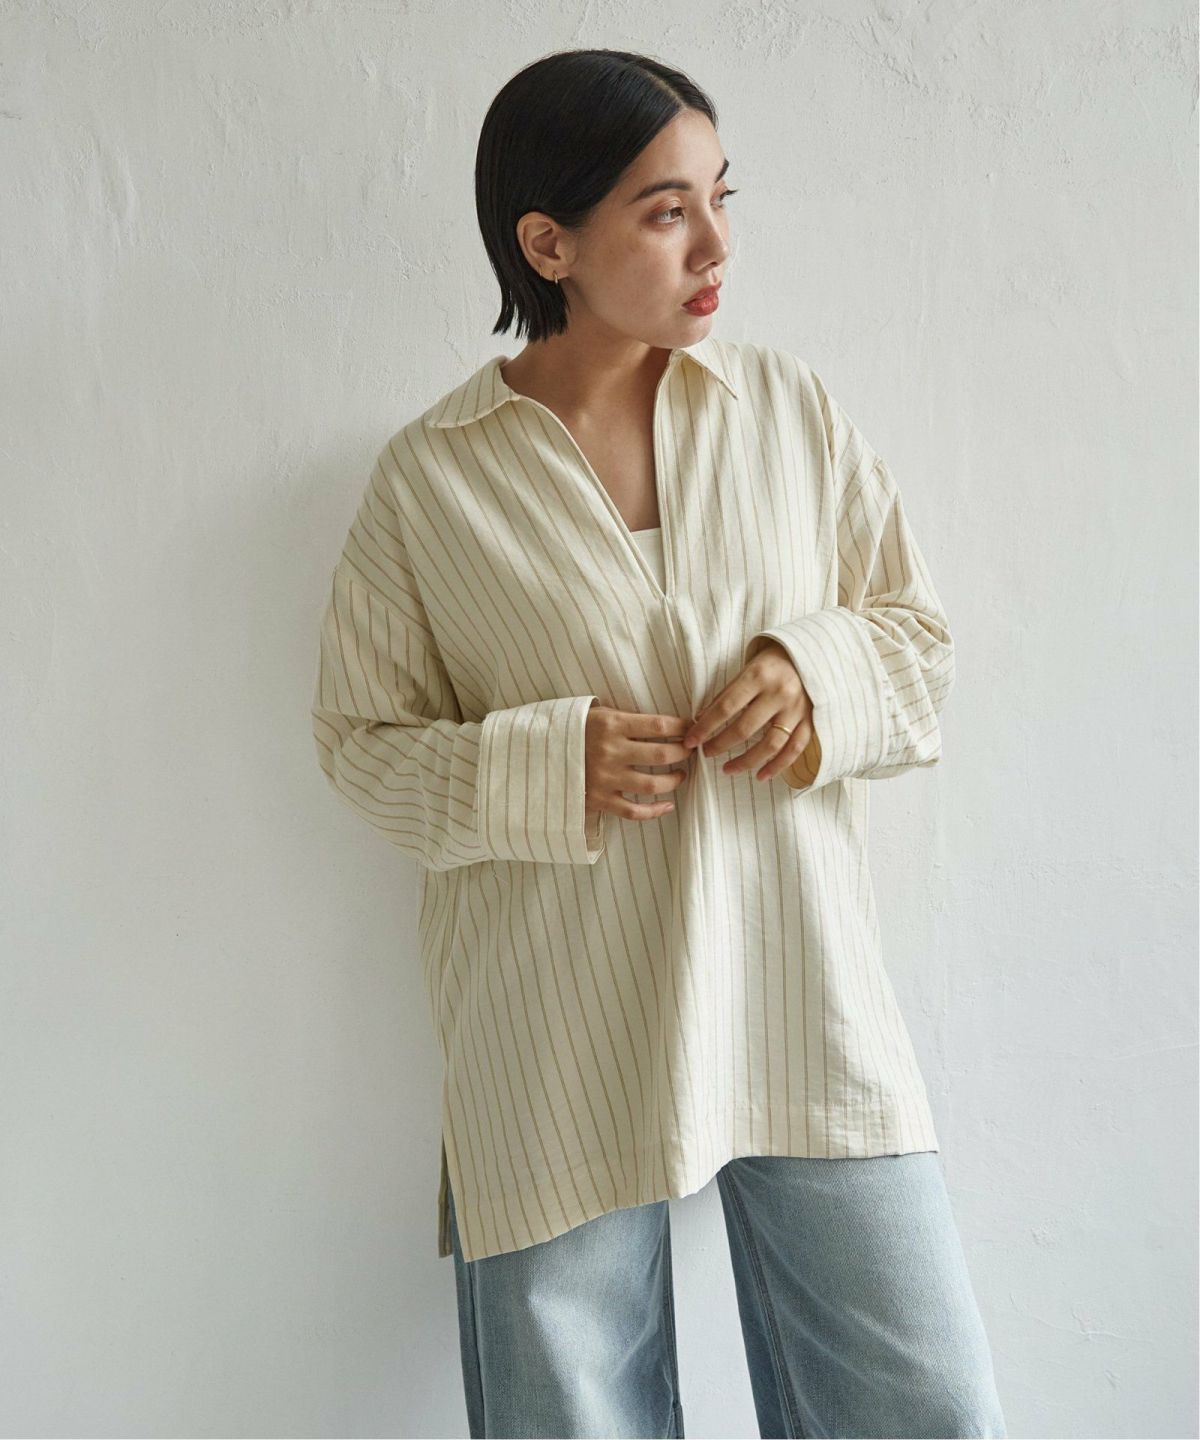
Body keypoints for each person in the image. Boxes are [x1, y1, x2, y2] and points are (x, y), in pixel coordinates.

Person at [311, 46, 1007, 1440]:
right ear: (548, 243)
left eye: (720, 197)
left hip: (797, 988)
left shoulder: (788, 413)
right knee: (573, 1416)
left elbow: (919, 643)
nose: (717, 246)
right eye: (666, 210)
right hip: (551, 1022)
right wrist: (544, 766)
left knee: (923, 1402)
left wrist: (813, 673)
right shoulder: (433, 478)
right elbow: (364, 743)